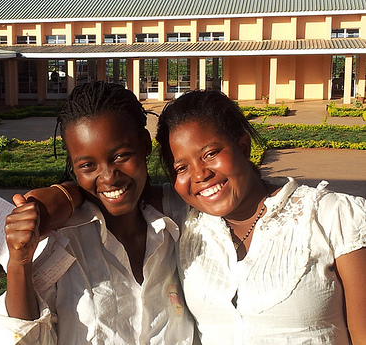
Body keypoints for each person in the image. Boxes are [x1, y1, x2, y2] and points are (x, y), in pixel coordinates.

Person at [0, 81, 197, 344]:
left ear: (145, 145)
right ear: (73, 167)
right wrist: (19, 262)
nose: (108, 176)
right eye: (87, 165)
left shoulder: (177, 221)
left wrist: (68, 194)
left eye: (120, 156)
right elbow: (26, 338)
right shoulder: (61, 242)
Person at [155, 90, 366, 344]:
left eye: (210, 154)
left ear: (243, 147)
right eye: (182, 167)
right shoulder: (185, 221)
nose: (200, 174)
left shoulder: (333, 217)